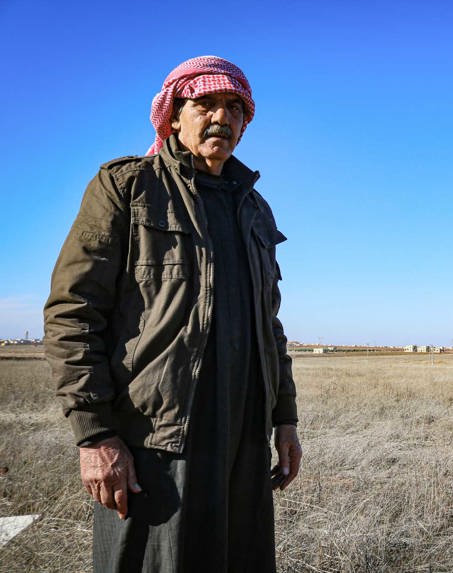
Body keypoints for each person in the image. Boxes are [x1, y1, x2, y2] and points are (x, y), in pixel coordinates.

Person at [43, 55, 302, 572]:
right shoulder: (128, 188)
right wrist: (95, 434)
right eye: (205, 103)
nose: (221, 118)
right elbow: (73, 312)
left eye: (235, 109)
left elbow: (269, 326)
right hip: (157, 441)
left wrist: (284, 418)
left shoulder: (255, 209)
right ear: (173, 114)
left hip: (243, 441)